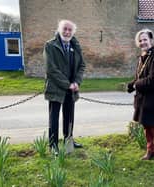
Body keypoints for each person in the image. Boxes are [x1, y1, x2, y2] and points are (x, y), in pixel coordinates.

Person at [127, 28, 154, 172]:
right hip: (143, 101)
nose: (142, 42)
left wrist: (136, 84)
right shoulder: (143, 56)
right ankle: (151, 151)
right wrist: (131, 85)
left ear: (151, 40)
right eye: (140, 40)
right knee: (146, 127)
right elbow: (139, 77)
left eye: (145, 39)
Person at [43, 19, 86, 151]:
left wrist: (76, 82)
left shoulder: (75, 45)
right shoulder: (50, 45)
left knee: (69, 116)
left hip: (71, 89)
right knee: (54, 118)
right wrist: (67, 84)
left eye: (70, 30)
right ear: (59, 29)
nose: (67, 32)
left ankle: (69, 141)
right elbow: (51, 69)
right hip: (56, 87)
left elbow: (81, 66)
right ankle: (53, 145)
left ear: (73, 32)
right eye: (65, 29)